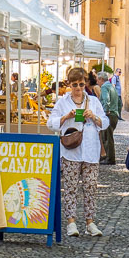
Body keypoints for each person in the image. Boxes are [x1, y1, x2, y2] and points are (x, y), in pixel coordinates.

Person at [47, 67, 109, 237]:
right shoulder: (62, 102)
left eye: (81, 84)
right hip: (71, 151)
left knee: (90, 187)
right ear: (69, 84)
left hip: (90, 150)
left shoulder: (94, 102)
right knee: (70, 187)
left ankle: (90, 222)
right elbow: (50, 123)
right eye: (75, 84)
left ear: (85, 83)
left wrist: (94, 117)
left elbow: (105, 122)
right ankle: (71, 222)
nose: (78, 88)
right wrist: (66, 117)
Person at [97, 70, 121, 165]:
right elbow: (119, 102)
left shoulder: (104, 87)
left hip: (109, 114)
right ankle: (108, 157)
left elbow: (106, 100)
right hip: (114, 114)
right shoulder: (111, 86)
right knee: (108, 136)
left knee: (107, 137)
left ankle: (109, 158)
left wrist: (105, 112)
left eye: (97, 80)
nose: (97, 82)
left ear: (101, 79)